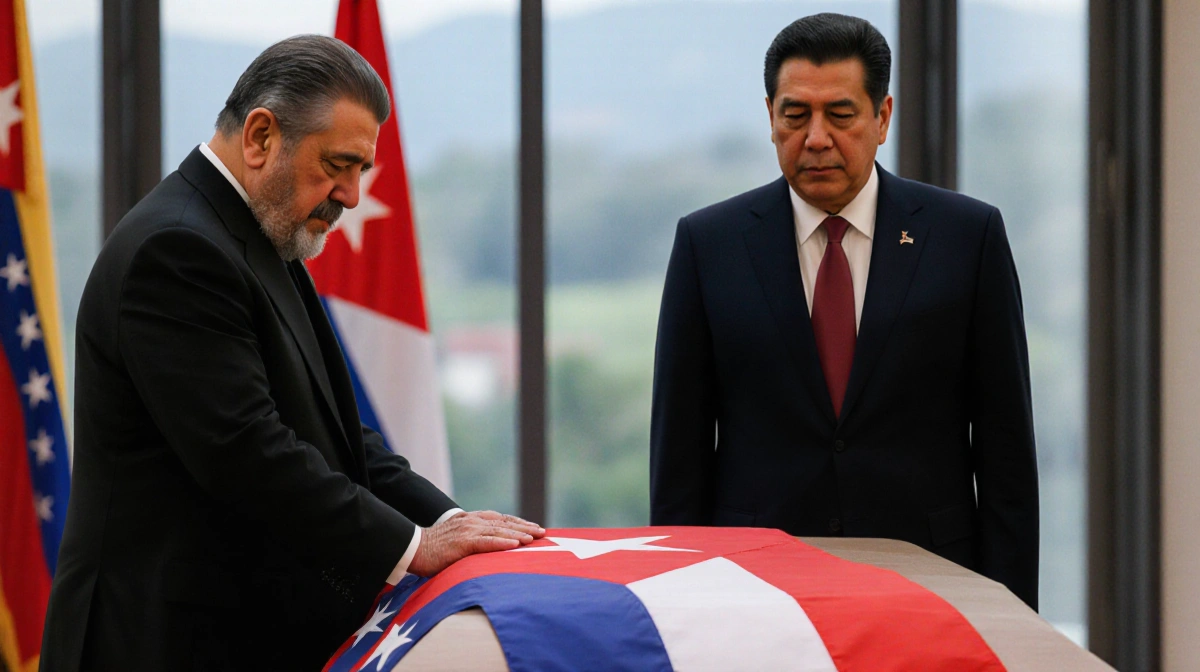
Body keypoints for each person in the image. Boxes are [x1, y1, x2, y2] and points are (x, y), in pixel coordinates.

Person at [40, 35, 543, 671]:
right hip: (157, 644)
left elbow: (337, 432)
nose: (352, 195)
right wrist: (416, 547)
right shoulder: (177, 249)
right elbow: (247, 452)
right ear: (260, 137)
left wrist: (457, 525)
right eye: (338, 165)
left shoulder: (255, 231)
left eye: (362, 171)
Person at [649, 13, 1039, 610]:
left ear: (882, 117)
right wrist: (680, 611)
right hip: (755, 592)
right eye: (795, 115)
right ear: (770, 117)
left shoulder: (966, 237)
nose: (816, 138)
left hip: (932, 584)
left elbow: (1006, 455)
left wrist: (1010, 618)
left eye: (840, 114)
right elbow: (679, 460)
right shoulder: (710, 245)